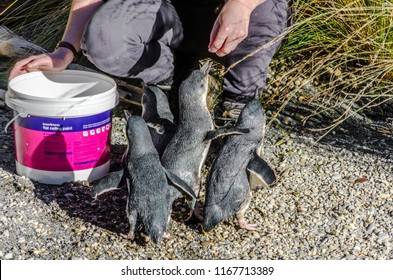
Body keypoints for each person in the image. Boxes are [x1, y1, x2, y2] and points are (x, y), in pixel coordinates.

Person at [9, 0, 289, 119]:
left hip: (241, 13)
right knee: (106, 36)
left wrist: (243, 4)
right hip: (167, 12)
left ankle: (237, 113)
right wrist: (65, 50)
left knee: (265, 12)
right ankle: (176, 81)